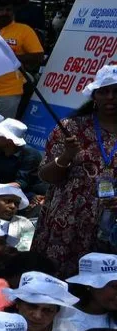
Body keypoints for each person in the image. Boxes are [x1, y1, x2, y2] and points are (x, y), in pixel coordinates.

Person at [35, 65, 117, 273]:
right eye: (104, 91)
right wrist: (66, 156)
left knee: (101, 288)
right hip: (67, 222)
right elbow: (45, 176)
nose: (111, 97)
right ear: (94, 96)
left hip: (110, 225)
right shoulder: (71, 128)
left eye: (116, 91)